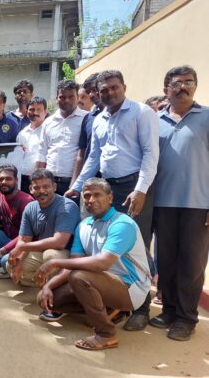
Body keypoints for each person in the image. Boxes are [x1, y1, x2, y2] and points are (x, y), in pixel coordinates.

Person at [66, 70, 159, 331]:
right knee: (106, 245)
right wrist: (77, 186)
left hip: (134, 186)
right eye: (104, 90)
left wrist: (141, 190)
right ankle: (113, 301)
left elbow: (151, 153)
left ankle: (141, 308)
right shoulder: (98, 119)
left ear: (124, 87)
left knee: (138, 245)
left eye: (114, 87)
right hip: (108, 187)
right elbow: (93, 158)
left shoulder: (142, 113)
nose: (109, 93)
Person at [35, 178, 151, 350]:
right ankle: (107, 311)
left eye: (97, 195)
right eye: (87, 195)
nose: (91, 200)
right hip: (101, 281)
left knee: (79, 277)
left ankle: (106, 334)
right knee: (46, 299)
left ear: (110, 198)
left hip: (130, 288)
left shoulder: (122, 224)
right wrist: (48, 286)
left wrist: (55, 262)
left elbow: (102, 263)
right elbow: (74, 262)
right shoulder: (83, 225)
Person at [151, 65, 209, 341]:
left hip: (198, 204)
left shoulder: (207, 117)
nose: (183, 87)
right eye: (177, 83)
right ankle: (170, 311)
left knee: (192, 264)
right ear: (166, 89)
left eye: (189, 82)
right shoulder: (155, 120)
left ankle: (187, 318)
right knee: (166, 261)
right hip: (162, 203)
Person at [6, 169, 80, 285]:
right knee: (10, 265)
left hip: (66, 254)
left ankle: (55, 284)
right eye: (36, 188)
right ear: (30, 189)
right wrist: (19, 259)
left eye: (46, 187)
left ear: (54, 187)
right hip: (42, 252)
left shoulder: (67, 206)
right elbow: (24, 239)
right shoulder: (30, 207)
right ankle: (46, 283)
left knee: (50, 255)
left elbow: (59, 243)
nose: (41, 191)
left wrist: (22, 247)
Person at [36, 80, 88, 199]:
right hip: (50, 181)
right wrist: (38, 182)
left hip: (76, 183)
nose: (67, 100)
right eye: (62, 97)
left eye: (71, 96)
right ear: (56, 99)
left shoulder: (86, 119)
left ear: (77, 97)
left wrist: (75, 185)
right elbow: (42, 153)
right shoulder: (48, 122)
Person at [72, 72, 104, 181]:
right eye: (89, 91)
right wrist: (75, 184)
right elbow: (81, 154)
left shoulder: (122, 115)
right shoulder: (88, 118)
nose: (92, 94)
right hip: (90, 181)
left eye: (94, 89)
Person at [17, 97, 47, 193]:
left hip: (42, 179)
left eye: (39, 109)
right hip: (23, 179)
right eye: (32, 109)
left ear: (45, 112)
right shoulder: (22, 133)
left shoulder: (49, 131)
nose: (35, 112)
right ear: (27, 112)